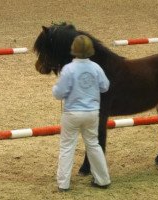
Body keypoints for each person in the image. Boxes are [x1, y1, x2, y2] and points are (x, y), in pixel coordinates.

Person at [52, 35, 111, 191]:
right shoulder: (96, 68)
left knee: (67, 147)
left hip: (72, 113)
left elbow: (59, 93)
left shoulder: (68, 69)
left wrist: (55, 89)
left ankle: (63, 183)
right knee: (93, 144)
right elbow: (105, 86)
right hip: (92, 112)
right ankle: (103, 179)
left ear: (73, 51)